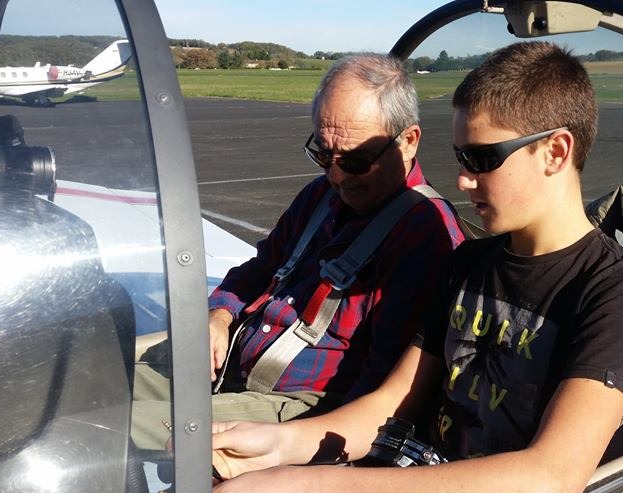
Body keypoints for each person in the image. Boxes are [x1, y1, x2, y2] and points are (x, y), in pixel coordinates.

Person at [210, 41, 623, 493]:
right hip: (405, 490)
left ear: (555, 152)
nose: (463, 181)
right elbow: (390, 405)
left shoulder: (615, 294)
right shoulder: (467, 265)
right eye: (462, 157)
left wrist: (308, 491)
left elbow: (547, 488)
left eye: (482, 158)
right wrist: (276, 446)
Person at [131, 53, 464, 449]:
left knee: (110, 426)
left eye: (356, 160)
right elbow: (261, 268)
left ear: (408, 142)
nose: (336, 175)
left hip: (301, 408)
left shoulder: (424, 235)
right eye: (323, 154)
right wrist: (218, 315)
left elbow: (382, 391)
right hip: (233, 362)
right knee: (93, 380)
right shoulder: (319, 197)